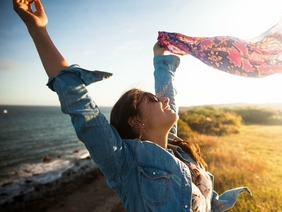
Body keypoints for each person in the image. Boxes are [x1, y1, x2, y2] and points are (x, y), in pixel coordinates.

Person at [13, 0, 251, 211]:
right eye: (154, 101)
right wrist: (38, 29)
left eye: (156, 98)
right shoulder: (124, 163)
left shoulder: (177, 148)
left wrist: (161, 60)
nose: (165, 100)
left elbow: (168, 92)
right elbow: (80, 104)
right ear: (136, 121)